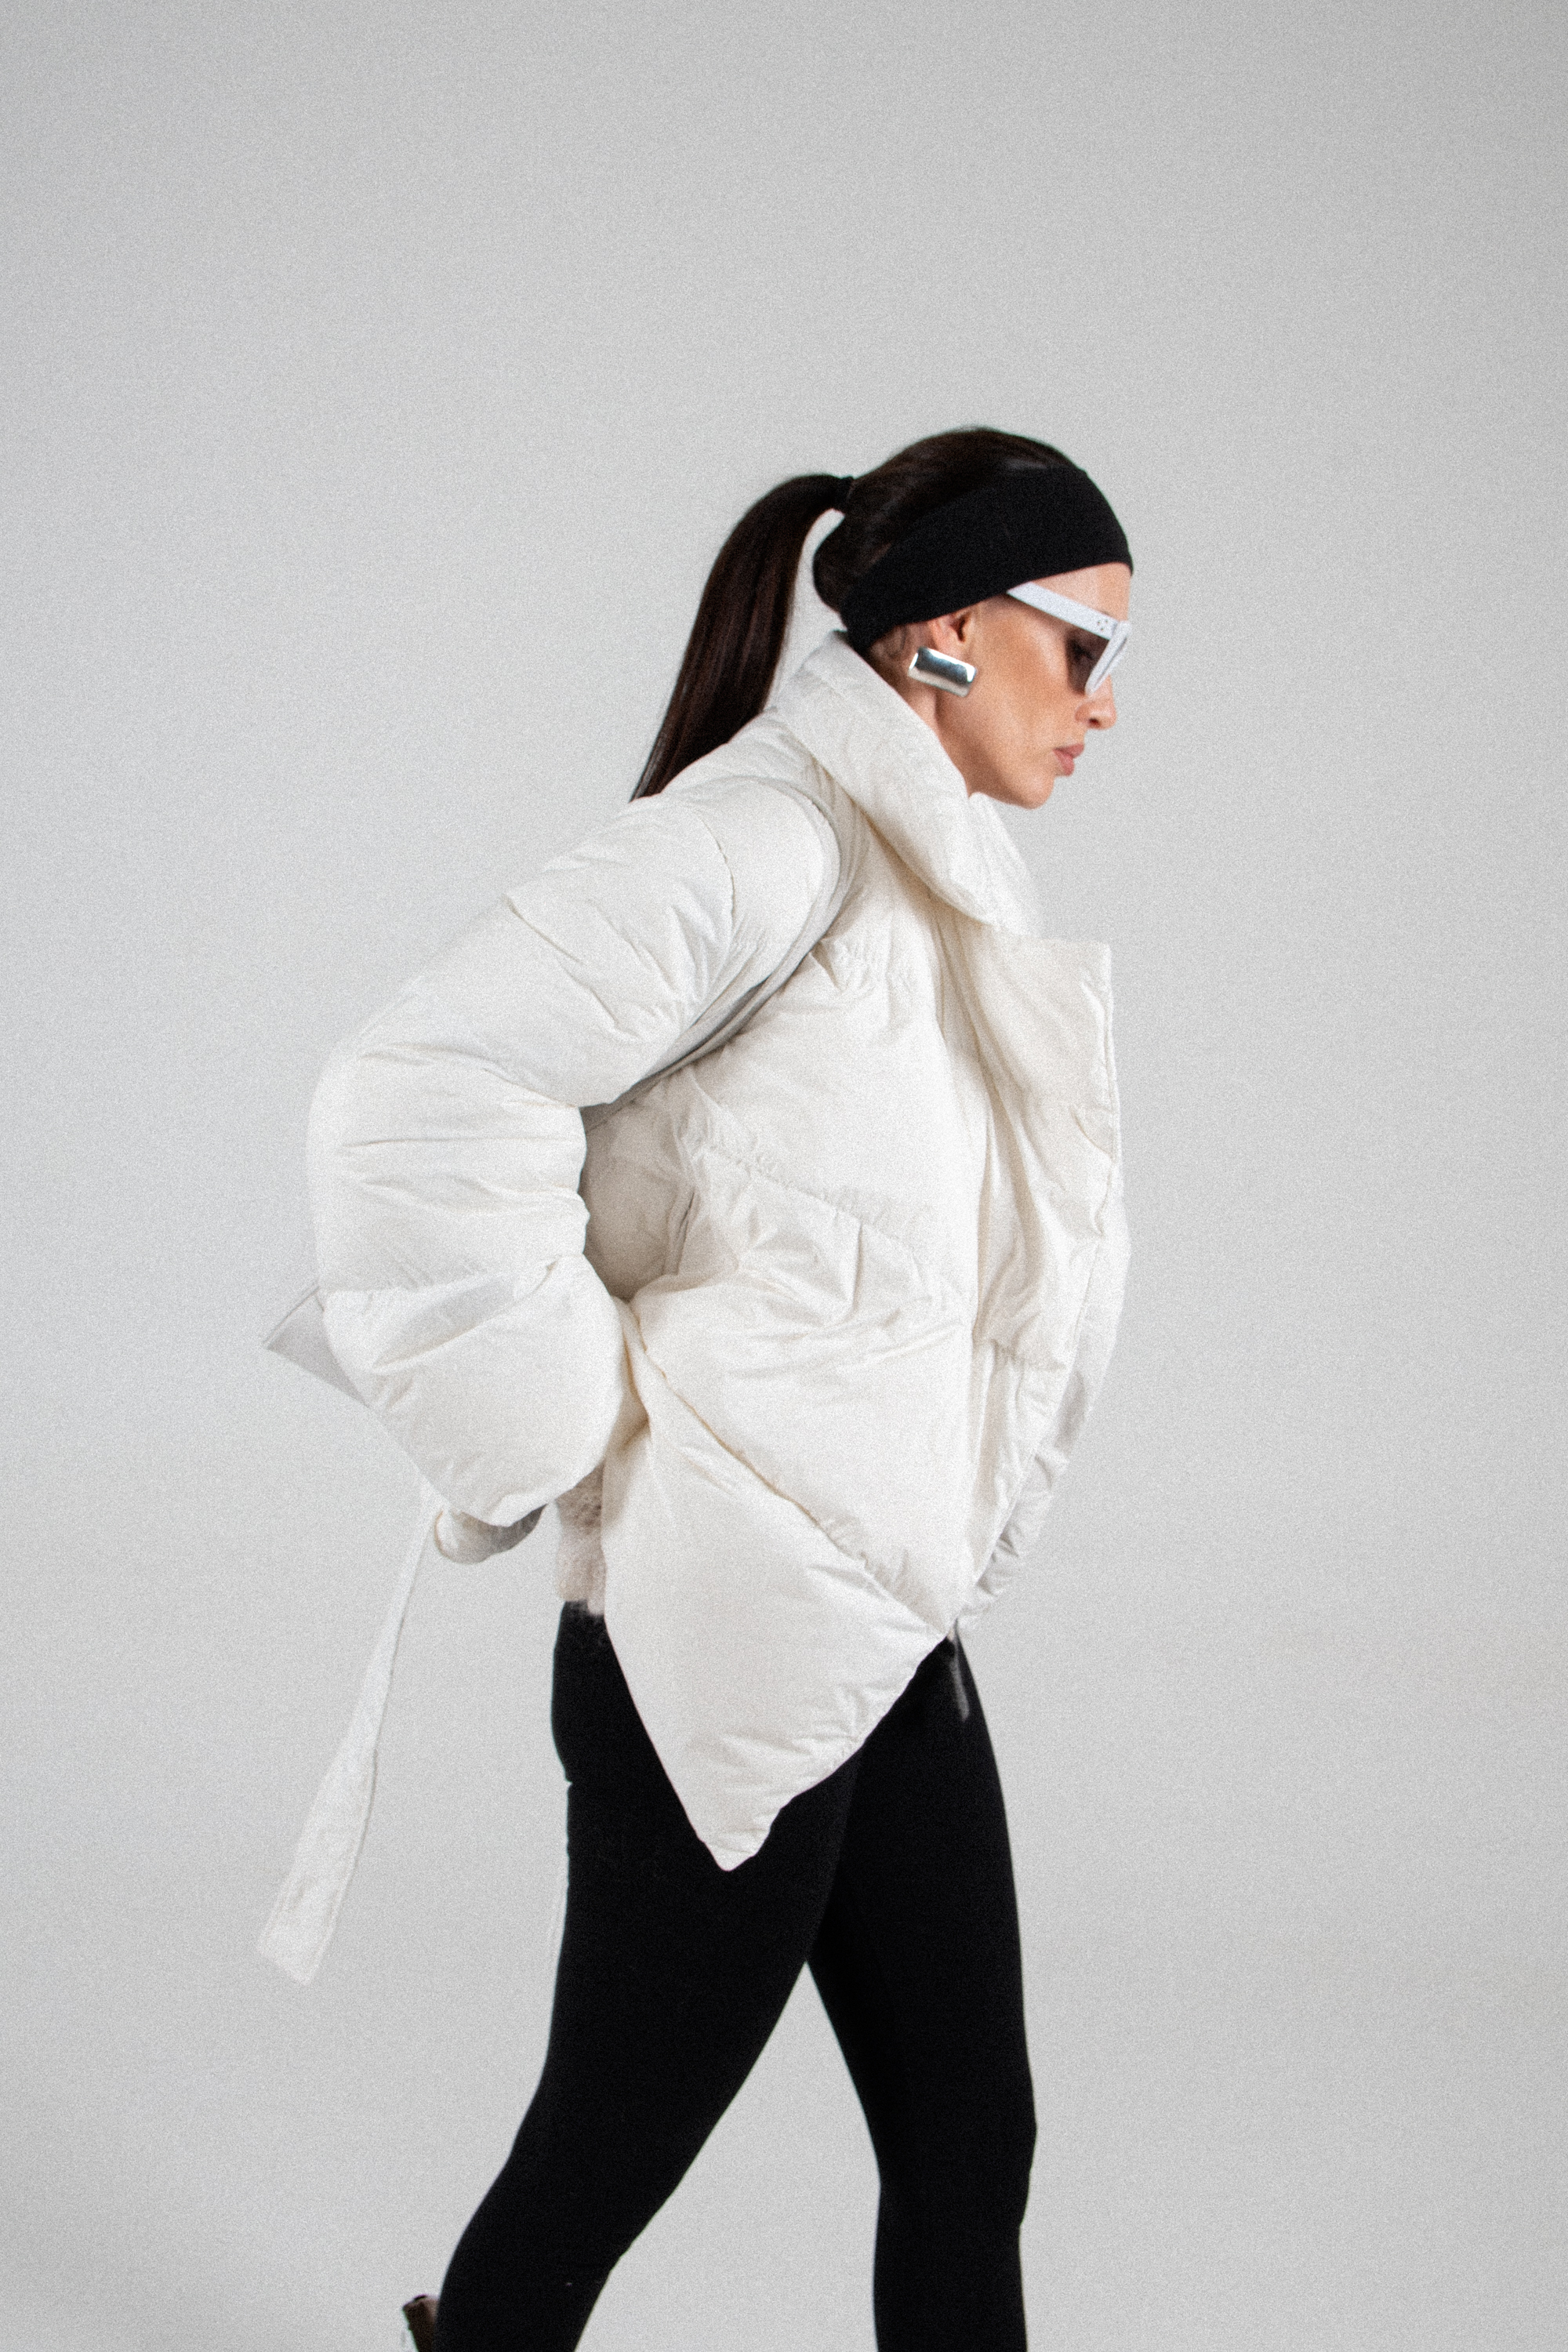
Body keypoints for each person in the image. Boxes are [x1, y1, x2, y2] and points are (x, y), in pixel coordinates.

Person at [307, 427, 1133, 2352]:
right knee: (604, 2158)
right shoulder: (766, 840)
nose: (1105, 703)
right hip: (718, 1643)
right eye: (1081, 647)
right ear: (939, 635)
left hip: (882, 1623)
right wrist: (565, 1422)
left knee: (971, 2139)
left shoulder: (930, 872)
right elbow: (416, 1089)